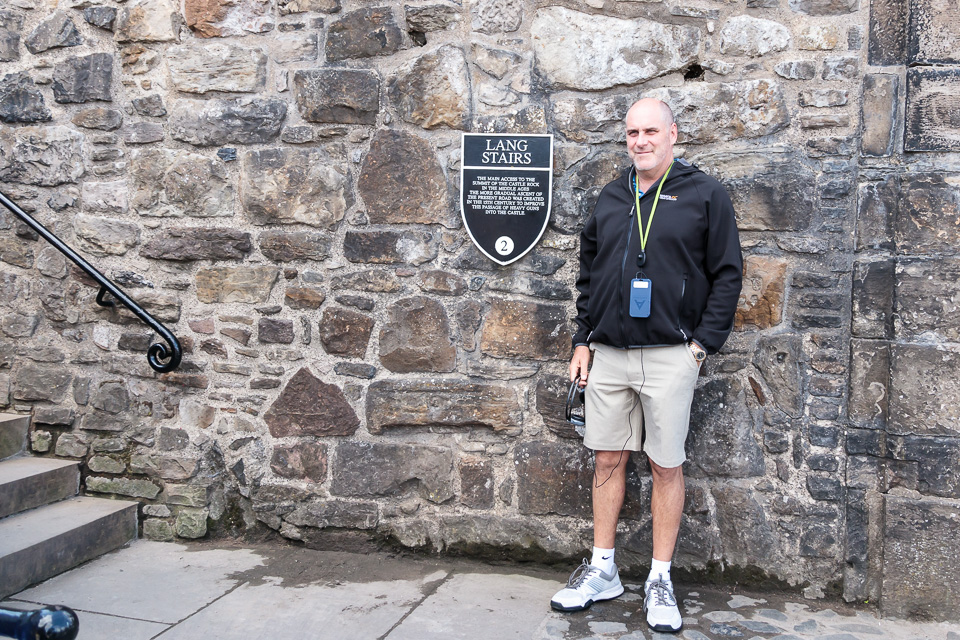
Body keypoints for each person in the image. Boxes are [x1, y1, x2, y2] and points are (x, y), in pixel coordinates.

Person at [549, 98, 743, 634]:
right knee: (607, 459)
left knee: (665, 465)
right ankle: (603, 570)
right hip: (609, 353)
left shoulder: (705, 194)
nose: (640, 141)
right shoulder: (612, 196)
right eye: (632, 132)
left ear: (673, 134)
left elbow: (728, 274)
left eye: (650, 131)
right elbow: (589, 273)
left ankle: (659, 578)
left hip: (670, 356)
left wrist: (700, 347)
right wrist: (583, 339)